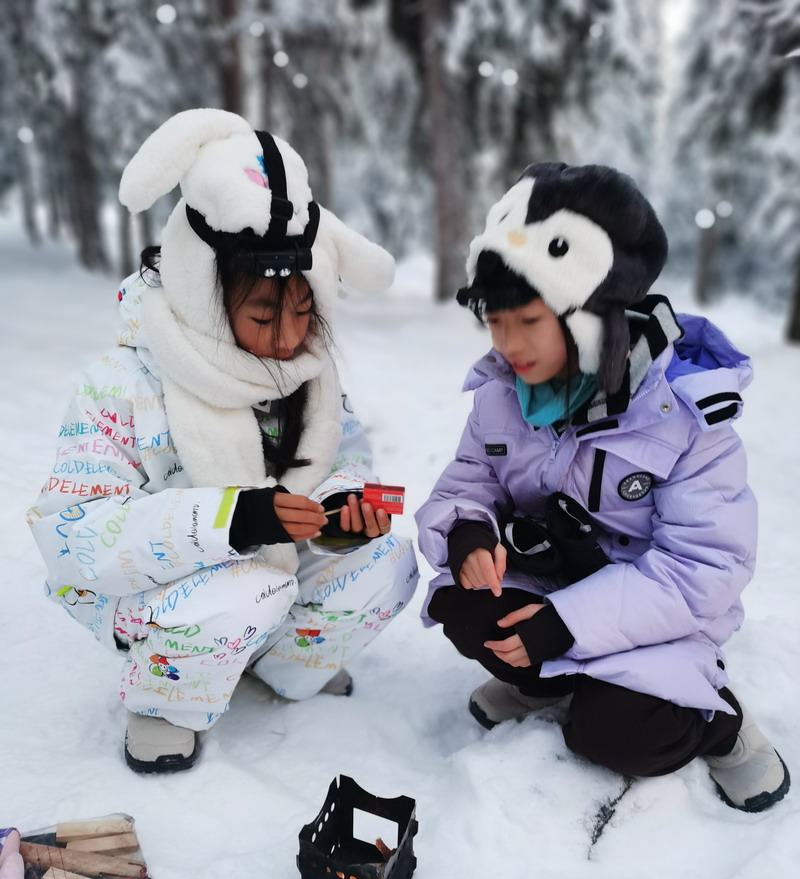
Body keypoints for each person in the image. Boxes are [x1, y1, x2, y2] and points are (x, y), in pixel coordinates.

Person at [28, 109, 418, 773]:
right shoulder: (123, 384)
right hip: (158, 592)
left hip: (272, 573)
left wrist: (344, 507)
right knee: (243, 588)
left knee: (389, 561)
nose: (289, 340)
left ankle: (283, 662)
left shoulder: (305, 374)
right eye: (264, 316)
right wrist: (232, 519)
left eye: (304, 313)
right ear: (204, 291)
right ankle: (164, 701)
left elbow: (344, 457)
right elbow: (73, 536)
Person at [415, 161, 789, 813]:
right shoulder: (506, 391)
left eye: (527, 321)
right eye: (495, 321)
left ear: (591, 314)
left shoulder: (683, 415)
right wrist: (469, 532)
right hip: (557, 581)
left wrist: (564, 625)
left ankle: (718, 723)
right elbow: (471, 481)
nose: (507, 344)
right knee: (464, 602)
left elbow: (705, 569)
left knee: (615, 736)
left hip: (659, 619)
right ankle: (547, 683)